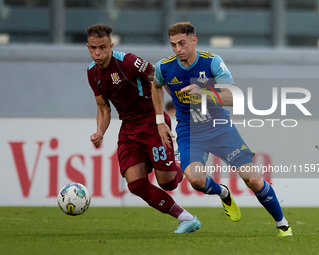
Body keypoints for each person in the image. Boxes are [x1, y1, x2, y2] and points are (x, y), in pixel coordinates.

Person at [152, 21, 292, 237]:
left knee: (253, 179)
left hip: (219, 127)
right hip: (190, 130)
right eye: (173, 45)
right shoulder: (164, 67)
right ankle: (223, 193)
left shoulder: (211, 62)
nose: (178, 49)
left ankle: (282, 224)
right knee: (196, 180)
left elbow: (234, 96)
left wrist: (206, 92)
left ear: (193, 41)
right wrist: (160, 120)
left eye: (182, 43)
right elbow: (156, 85)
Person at [86, 23, 201, 234]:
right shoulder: (92, 74)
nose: (98, 52)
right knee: (136, 184)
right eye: (93, 48)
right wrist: (100, 132)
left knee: (167, 184)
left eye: (102, 47)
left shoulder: (129, 62)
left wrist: (182, 108)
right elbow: (103, 109)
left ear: (111, 46)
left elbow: (161, 78)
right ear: (88, 48)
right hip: (129, 128)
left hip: (152, 122)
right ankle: (185, 218)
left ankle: (180, 159)